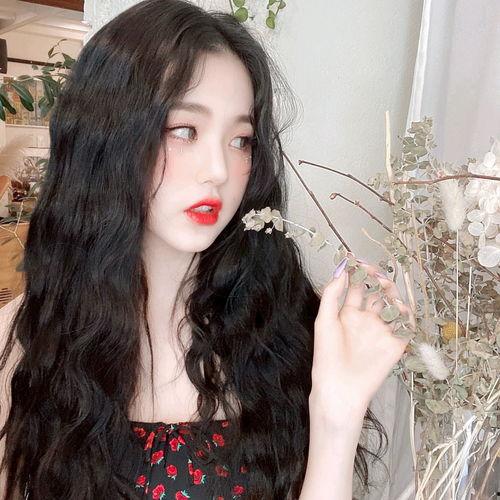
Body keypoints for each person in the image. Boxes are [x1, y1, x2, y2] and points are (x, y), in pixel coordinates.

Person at [0, 0, 413, 498]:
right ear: (107, 137)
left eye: (241, 140)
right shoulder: (26, 342)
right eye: (185, 131)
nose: (218, 170)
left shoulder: (288, 333)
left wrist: (336, 413)